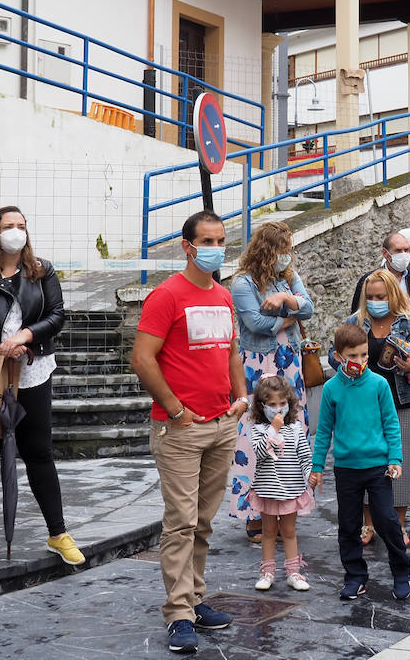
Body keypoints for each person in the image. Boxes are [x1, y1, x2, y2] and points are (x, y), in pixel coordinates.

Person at [131, 210, 249, 656]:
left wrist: (240, 399)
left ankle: (196, 600)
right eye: (208, 240)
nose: (216, 247)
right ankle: (178, 613)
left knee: (202, 522)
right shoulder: (166, 296)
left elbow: (232, 352)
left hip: (221, 424)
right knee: (180, 523)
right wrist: (177, 409)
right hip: (180, 429)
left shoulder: (221, 295)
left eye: (221, 240)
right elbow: (142, 358)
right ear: (187, 246)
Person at [0, 206, 82, 565]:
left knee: (38, 449)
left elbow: (57, 314)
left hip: (32, 368)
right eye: (9, 226)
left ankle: (58, 533)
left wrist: (25, 336)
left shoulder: (41, 270)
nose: (16, 231)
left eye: (21, 226)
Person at [309, 323, 410, 601]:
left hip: (378, 467)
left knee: (387, 520)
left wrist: (395, 459)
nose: (360, 361)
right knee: (348, 525)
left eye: (364, 355)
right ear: (339, 356)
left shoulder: (378, 384)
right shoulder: (331, 389)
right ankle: (355, 576)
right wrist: (317, 467)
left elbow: (391, 424)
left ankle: (401, 571)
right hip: (346, 469)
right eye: (353, 356)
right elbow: (324, 431)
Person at [339, 268, 410, 548]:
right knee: (367, 462)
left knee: (402, 462)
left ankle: (398, 525)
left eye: (380, 296)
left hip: (402, 400)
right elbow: (335, 358)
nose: (374, 301)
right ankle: (368, 524)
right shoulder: (355, 322)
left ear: (393, 295)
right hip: (364, 403)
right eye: (370, 296)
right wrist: (348, 367)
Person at [227, 221, 314, 541]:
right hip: (258, 365)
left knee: (291, 436)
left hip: (290, 365)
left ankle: (286, 507)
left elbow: (310, 308)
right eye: (283, 250)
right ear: (268, 250)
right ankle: (254, 515)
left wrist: (285, 301)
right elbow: (257, 323)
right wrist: (292, 312)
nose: (286, 256)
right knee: (255, 438)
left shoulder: (289, 277)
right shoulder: (243, 283)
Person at [246, 375, 313, 592]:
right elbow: (259, 452)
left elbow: (304, 454)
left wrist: (311, 472)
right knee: (268, 531)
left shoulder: (295, 428)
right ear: (262, 406)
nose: (278, 409)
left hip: (290, 489)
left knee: (289, 531)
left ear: (289, 403)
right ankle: (267, 572)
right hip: (267, 489)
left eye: (282, 404)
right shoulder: (257, 429)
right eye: (272, 405)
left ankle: (293, 572)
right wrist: (273, 430)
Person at [350, 231, 410, 312]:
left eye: (406, 250)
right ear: (385, 253)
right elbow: (357, 313)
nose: (403, 255)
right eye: (398, 250)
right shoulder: (369, 280)